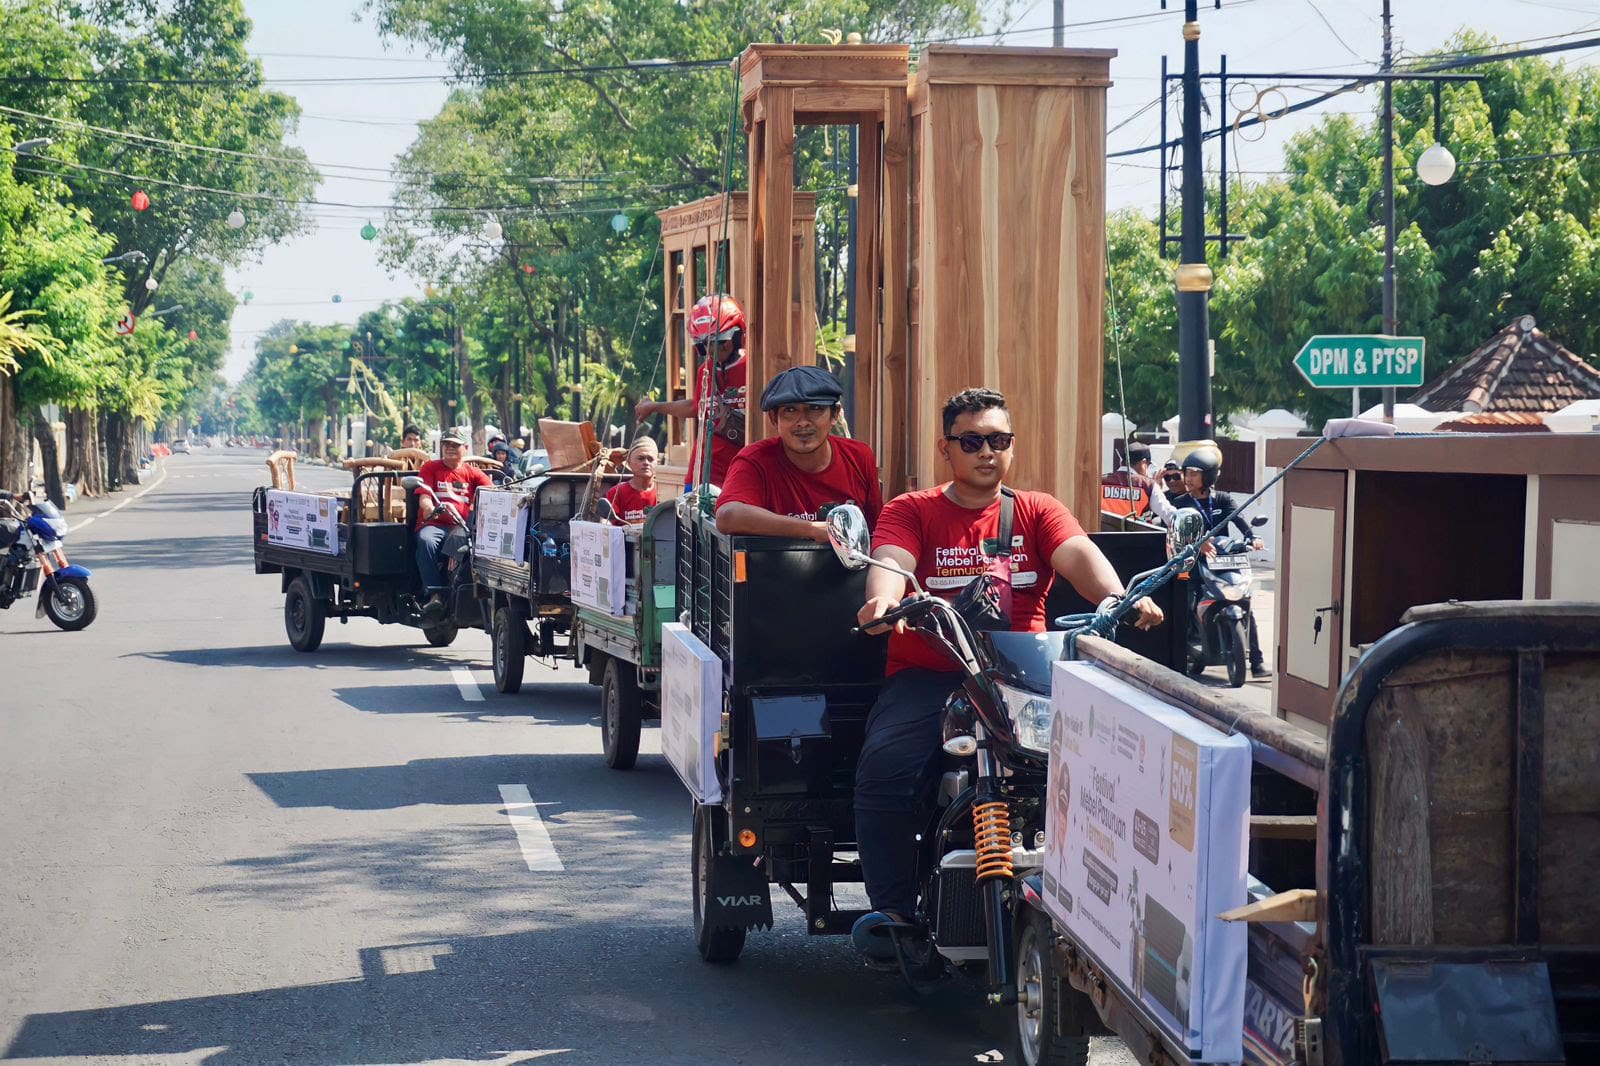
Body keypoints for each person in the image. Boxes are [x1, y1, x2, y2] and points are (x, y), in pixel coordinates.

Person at [850, 388, 1163, 958]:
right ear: (947, 449)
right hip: (932, 675)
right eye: (972, 441)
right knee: (885, 769)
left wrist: (1120, 597)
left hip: (1024, 681)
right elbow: (893, 562)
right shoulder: (912, 509)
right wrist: (881, 602)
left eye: (999, 441)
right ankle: (893, 911)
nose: (987, 452)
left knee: (1108, 775)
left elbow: (1078, 554)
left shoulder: (1038, 510)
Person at [715, 366, 882, 541]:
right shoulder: (754, 459)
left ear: (835, 414)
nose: (802, 422)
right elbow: (728, 516)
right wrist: (813, 530)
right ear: (774, 418)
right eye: (790, 410)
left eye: (815, 408)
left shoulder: (859, 456)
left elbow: (876, 528)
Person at [1169, 449, 1271, 679]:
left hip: (1223, 560)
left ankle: (1256, 661)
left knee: (1244, 601)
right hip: (1193, 562)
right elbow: (1178, 530)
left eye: (1195, 474)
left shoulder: (1223, 499)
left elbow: (1239, 519)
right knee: (1186, 603)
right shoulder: (1181, 502)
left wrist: (1252, 537)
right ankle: (1183, 653)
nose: (1189, 478)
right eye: (1187, 473)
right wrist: (1198, 543)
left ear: (1209, 476)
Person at [634, 293, 748, 489]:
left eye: (720, 343)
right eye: (704, 347)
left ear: (737, 338)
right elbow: (695, 407)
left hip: (744, 472)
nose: (711, 352)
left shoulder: (752, 369)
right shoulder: (705, 371)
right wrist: (654, 407)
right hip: (704, 473)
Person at [413, 429, 493, 618]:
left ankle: (469, 591)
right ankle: (435, 595)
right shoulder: (431, 468)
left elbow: (492, 491)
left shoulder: (472, 473)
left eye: (455, 445)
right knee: (426, 541)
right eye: (446, 444)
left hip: (460, 527)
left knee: (467, 543)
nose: (450, 448)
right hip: (433, 525)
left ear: (465, 448)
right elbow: (424, 496)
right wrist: (428, 508)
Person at [605, 437, 660, 525]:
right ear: (628, 463)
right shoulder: (616, 492)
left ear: (658, 463)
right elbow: (606, 522)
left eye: (650, 459)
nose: (646, 463)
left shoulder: (664, 492)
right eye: (640, 458)